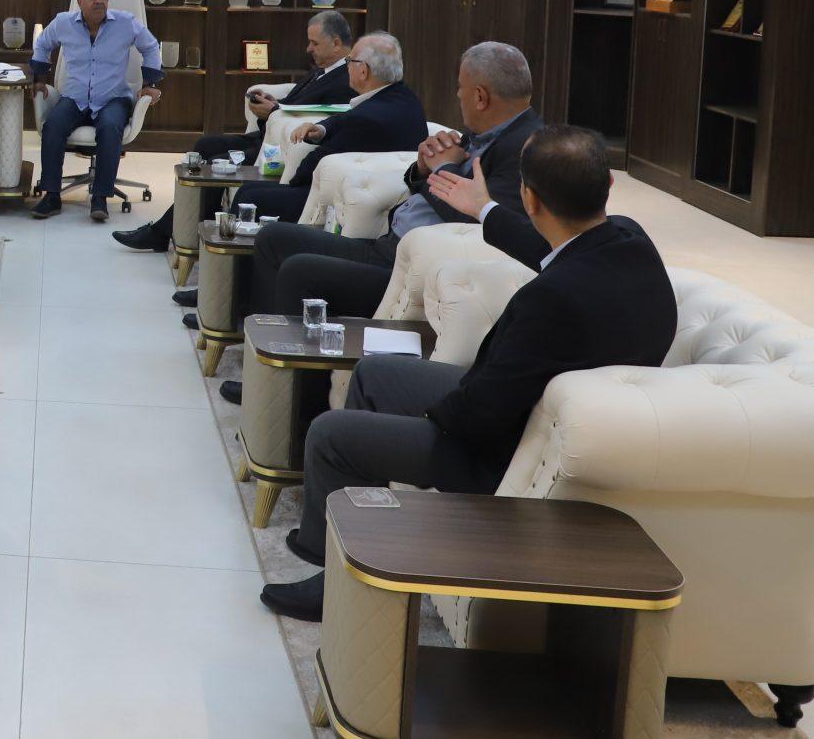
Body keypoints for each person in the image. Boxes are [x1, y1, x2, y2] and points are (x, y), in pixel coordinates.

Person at [259, 125, 676, 621]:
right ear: (608, 185)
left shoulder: (553, 301)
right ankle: (331, 544)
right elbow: (550, 249)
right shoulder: (628, 240)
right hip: (531, 406)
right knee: (375, 374)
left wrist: (434, 414)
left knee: (332, 435)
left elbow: (477, 416)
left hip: (502, 447)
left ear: (530, 198)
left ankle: (336, 586)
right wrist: (485, 209)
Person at [219, 42, 542, 398]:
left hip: (409, 270)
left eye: (460, 87)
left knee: (300, 272)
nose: (457, 95)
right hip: (386, 243)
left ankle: (289, 404)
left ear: (480, 97)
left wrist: (443, 169)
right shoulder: (486, 132)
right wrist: (422, 167)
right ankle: (260, 363)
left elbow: (486, 220)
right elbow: (433, 184)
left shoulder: (523, 150)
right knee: (275, 238)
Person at [114, 11, 355, 287]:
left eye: (314, 43)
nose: (308, 48)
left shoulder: (344, 80)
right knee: (206, 145)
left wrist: (274, 110)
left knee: (215, 163)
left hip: (280, 150)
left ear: (336, 43)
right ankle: (184, 229)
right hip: (265, 136)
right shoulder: (322, 70)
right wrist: (272, 104)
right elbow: (295, 104)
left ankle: (167, 233)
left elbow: (316, 118)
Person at [224, 31, 427, 228]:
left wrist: (292, 179)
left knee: (250, 195)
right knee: (251, 190)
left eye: (350, 61)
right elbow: (345, 118)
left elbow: (310, 166)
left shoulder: (366, 119)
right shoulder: (404, 98)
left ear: (363, 71)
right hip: (373, 192)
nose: (346, 66)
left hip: (338, 204)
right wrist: (322, 129)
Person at [30, 0, 164, 222]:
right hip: (75, 98)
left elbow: (151, 46)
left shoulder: (125, 23)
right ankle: (52, 195)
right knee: (53, 126)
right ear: (80, 1)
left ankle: (100, 197)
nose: (99, 0)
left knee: (110, 127)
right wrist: (39, 79)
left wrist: (149, 84)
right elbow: (42, 45)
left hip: (113, 98)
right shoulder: (63, 23)